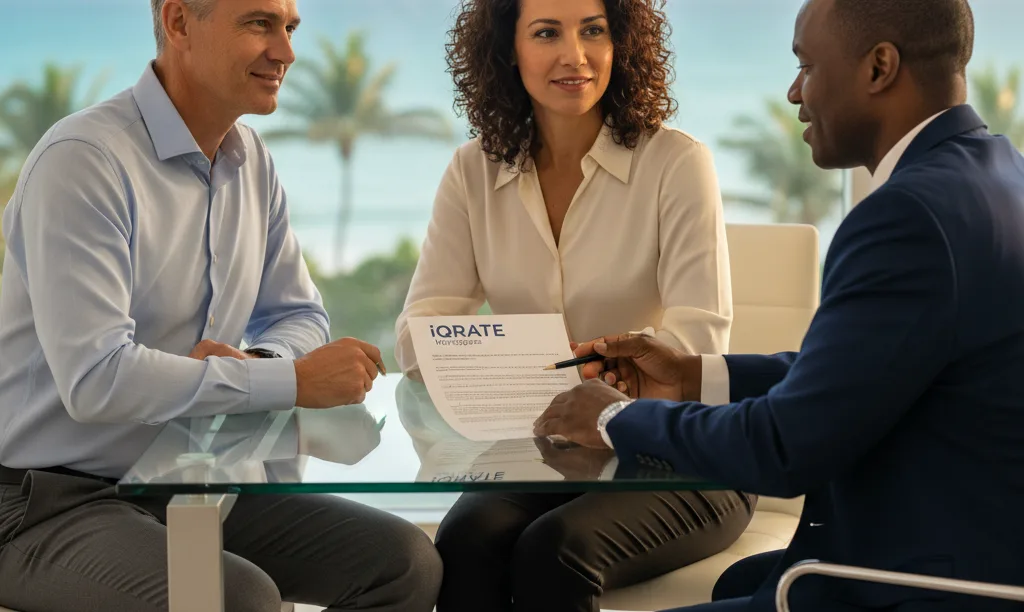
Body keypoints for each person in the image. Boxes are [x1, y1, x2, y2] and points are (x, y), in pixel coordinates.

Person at [535, 0, 1024, 610]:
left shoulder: (909, 216)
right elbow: (863, 371)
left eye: (807, 66)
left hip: (916, 585)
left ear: (879, 67)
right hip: (968, 549)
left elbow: (784, 448)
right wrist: (694, 375)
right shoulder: (1001, 175)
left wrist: (613, 418)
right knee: (738, 581)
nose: (795, 93)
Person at [0, 1, 441, 611]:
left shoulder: (251, 161)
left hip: (186, 480)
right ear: (180, 23)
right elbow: (96, 380)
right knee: (237, 598)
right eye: (259, 23)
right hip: (46, 504)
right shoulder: (83, 160)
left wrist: (253, 362)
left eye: (289, 28)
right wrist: (285, 380)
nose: (285, 52)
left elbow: (300, 316)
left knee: (403, 562)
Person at [394, 0, 753, 610]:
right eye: (546, 33)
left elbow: (698, 346)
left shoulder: (677, 163)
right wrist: (527, 361)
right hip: (542, 453)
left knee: (554, 549)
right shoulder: (472, 171)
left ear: (622, 43)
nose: (575, 56)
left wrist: (602, 377)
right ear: (509, 49)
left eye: (594, 31)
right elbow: (415, 337)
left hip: (679, 456)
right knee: (465, 540)